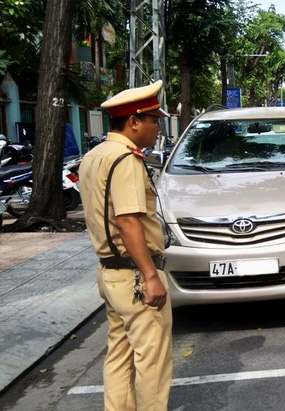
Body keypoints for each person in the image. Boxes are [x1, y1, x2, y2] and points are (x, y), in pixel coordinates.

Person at [78, 80, 173, 410]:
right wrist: (150, 275)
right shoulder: (125, 160)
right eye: (153, 120)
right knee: (152, 362)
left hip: (109, 273)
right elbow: (128, 221)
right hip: (133, 275)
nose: (157, 127)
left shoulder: (94, 156)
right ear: (134, 122)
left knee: (119, 355)